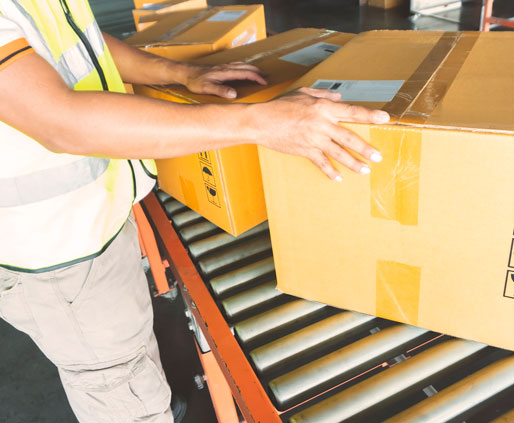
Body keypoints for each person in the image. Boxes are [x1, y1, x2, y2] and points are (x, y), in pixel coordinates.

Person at [0, 1, 389, 422]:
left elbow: (83, 39)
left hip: (95, 218)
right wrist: (257, 123)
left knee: (128, 353)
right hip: (52, 253)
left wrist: (180, 73)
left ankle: (150, 396)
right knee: (114, 382)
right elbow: (60, 121)